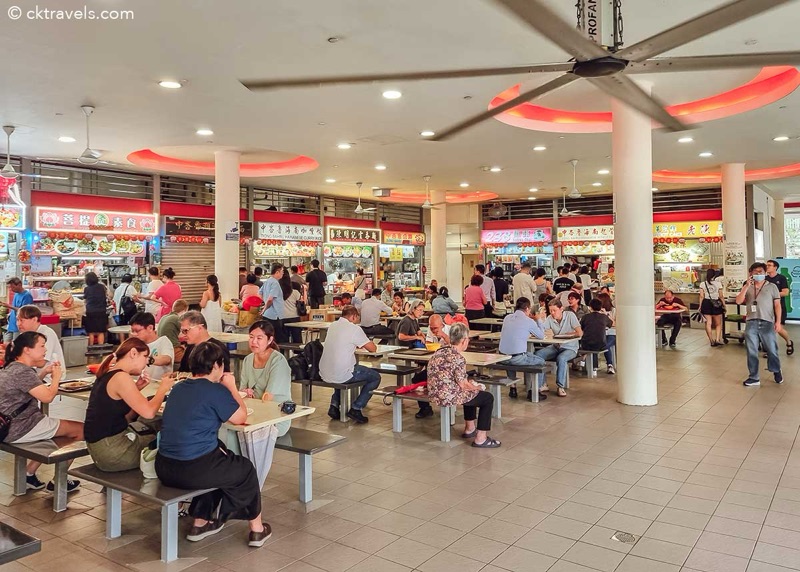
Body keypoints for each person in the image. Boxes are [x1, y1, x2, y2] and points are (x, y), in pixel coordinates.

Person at [155, 341, 271, 547]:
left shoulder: (178, 388)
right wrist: (232, 387)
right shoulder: (215, 390)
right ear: (217, 365)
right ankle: (257, 530)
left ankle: (200, 523)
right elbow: (240, 417)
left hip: (164, 467)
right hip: (194, 470)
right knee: (245, 469)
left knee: (219, 456)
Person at [0, 331, 83, 492]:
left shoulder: (12, 367)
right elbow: (47, 397)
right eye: (42, 346)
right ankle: (59, 481)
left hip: (8, 426)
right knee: (82, 430)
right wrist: (56, 377)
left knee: (59, 429)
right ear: (27, 349)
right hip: (22, 427)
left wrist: (44, 372)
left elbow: (26, 387)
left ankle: (29, 474)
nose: (45, 350)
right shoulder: (23, 371)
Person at [84, 338, 173, 472]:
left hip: (101, 447)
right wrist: (163, 389)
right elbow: (149, 412)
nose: (146, 362)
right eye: (145, 357)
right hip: (113, 451)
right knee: (168, 443)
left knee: (154, 431)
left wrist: (137, 388)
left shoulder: (110, 372)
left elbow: (113, 406)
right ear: (133, 353)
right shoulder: (121, 377)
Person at [427, 323, 500, 448]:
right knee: (487, 398)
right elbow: (463, 385)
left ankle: (470, 429)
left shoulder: (439, 352)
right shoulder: (458, 358)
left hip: (434, 392)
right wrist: (478, 387)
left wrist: (470, 386)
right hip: (446, 395)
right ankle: (481, 438)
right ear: (464, 340)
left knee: (471, 393)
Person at [319, 306, 381, 423]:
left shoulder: (333, 326)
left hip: (324, 371)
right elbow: (372, 349)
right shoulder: (354, 329)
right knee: (375, 377)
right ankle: (356, 408)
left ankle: (334, 405)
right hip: (342, 373)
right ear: (353, 316)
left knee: (340, 370)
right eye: (357, 317)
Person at [239, 321, 292, 436]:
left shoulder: (278, 361)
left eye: (259, 338)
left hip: (276, 416)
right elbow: (242, 391)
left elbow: (268, 398)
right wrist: (245, 392)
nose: (254, 342)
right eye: (251, 337)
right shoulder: (248, 359)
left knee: (238, 433)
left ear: (269, 340)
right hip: (252, 411)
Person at [737, 262, 783, 386]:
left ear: (765, 273)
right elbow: (739, 301)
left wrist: (778, 322)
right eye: (755, 271)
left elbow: (777, 305)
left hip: (767, 322)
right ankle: (754, 377)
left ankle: (776, 370)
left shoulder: (772, 286)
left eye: (761, 271)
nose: (758, 273)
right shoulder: (747, 286)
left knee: (772, 349)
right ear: (750, 273)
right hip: (751, 322)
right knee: (751, 351)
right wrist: (746, 287)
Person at [498, 297, 547, 401]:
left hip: (502, 356)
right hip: (517, 358)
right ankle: (535, 391)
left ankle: (513, 389)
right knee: (541, 362)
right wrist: (538, 319)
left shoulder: (507, 318)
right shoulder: (528, 321)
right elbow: (541, 336)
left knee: (512, 355)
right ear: (527, 308)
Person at [535, 299, 582, 397]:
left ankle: (560, 386)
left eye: (554, 310)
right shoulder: (549, 318)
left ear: (561, 309)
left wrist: (569, 335)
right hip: (556, 346)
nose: (552, 313)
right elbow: (541, 331)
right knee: (538, 355)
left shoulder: (570, 315)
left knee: (561, 358)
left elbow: (580, 333)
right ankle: (543, 384)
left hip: (570, 347)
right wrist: (540, 319)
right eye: (550, 311)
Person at [16, 305, 65, 381]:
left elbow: (41, 362)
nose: (18, 324)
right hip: (33, 376)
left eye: (22, 320)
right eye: (17, 320)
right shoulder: (24, 334)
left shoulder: (46, 333)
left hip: (48, 378)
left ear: (34, 319)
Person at [129, 312, 174, 380]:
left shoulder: (163, 341)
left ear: (150, 328)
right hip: (136, 383)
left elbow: (166, 359)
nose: (134, 334)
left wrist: (147, 360)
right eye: (132, 331)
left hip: (157, 384)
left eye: (137, 331)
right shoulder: (134, 344)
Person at [766, 259, 793, 355]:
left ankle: (788, 342)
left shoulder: (781, 278)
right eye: (766, 265)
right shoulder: (764, 279)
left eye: (769, 265)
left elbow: (785, 292)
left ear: (775, 267)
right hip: (767, 308)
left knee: (778, 329)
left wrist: (773, 295)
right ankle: (771, 350)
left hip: (779, 307)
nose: (767, 267)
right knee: (769, 329)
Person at [580, 299, 613, 374]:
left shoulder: (585, 317)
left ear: (590, 307)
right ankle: (608, 365)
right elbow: (612, 324)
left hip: (586, 344)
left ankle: (587, 362)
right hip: (600, 345)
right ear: (601, 307)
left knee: (591, 340)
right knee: (602, 341)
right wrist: (606, 314)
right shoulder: (604, 317)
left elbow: (581, 328)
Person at [699, 269, 726, 347]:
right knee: (718, 324)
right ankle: (717, 339)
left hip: (706, 303)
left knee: (708, 323)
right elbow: (721, 296)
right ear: (714, 275)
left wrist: (700, 306)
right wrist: (724, 305)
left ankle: (711, 341)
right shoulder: (718, 284)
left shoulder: (702, 284)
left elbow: (701, 296)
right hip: (716, 303)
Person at [260, 263, 286, 343]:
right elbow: (270, 299)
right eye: (282, 271)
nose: (283, 273)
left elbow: (259, 293)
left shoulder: (267, 281)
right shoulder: (275, 283)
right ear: (277, 272)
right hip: (274, 315)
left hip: (267, 315)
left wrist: (264, 303)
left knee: (268, 337)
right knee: (277, 339)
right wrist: (265, 308)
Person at [2, 277, 34, 342]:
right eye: (10, 287)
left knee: (15, 344)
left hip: (19, 326)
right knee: (6, 343)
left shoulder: (27, 296)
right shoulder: (16, 294)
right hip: (12, 324)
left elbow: (24, 311)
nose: (11, 289)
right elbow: (15, 307)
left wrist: (9, 306)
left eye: (13, 287)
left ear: (19, 285)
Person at [158, 299, 189, 365]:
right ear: (184, 310)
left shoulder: (164, 317)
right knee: (192, 358)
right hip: (173, 350)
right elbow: (187, 332)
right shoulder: (177, 318)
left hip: (161, 349)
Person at [83, 271, 110, 345]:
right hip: (101, 311)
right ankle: (100, 346)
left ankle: (91, 347)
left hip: (90, 311)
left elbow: (85, 299)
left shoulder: (87, 289)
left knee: (91, 331)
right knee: (100, 331)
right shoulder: (102, 287)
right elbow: (108, 295)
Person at [595, 292, 617, 374]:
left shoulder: (613, 310)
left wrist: (606, 315)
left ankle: (609, 364)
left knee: (605, 345)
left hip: (612, 333)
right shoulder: (596, 311)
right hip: (599, 333)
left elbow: (614, 324)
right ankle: (594, 365)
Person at [280, 272, 301, 344]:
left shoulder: (277, 292)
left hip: (282, 318)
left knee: (283, 341)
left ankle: (284, 351)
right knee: (297, 340)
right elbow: (302, 303)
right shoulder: (295, 292)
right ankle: (298, 351)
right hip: (295, 317)